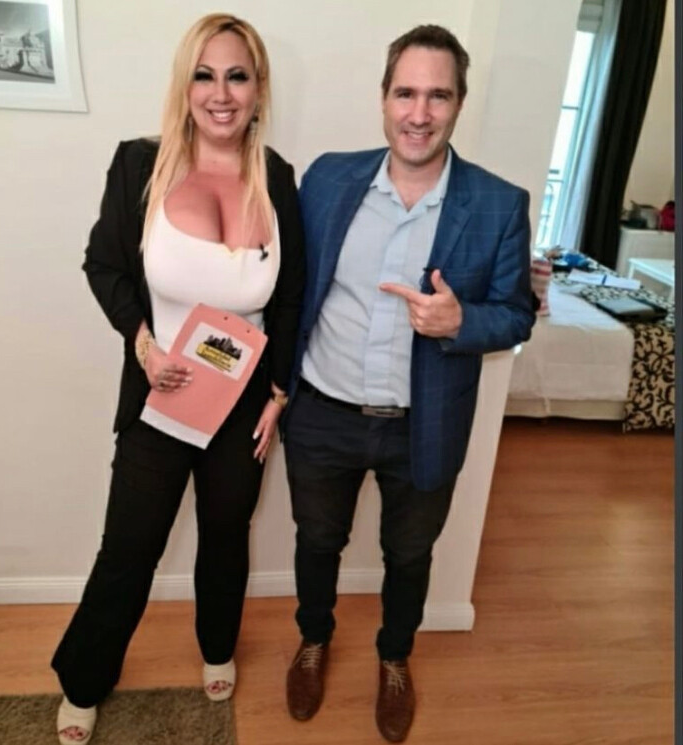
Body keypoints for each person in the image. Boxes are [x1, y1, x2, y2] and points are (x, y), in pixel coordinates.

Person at [51, 13, 304, 744]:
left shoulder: (278, 177)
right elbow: (103, 264)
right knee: (130, 547)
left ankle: (217, 646)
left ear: (259, 89)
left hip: (243, 405)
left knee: (226, 536)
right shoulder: (140, 164)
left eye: (237, 76)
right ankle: (84, 680)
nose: (221, 94)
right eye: (205, 75)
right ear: (184, 85)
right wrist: (142, 344)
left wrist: (279, 393)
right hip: (161, 397)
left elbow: (291, 296)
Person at [283, 24, 534, 743]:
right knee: (317, 539)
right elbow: (290, 282)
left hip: (425, 423)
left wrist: (462, 321)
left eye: (438, 96)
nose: (419, 113)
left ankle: (394, 655)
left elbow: (517, 313)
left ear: (459, 103)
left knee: (410, 554)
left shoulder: (498, 203)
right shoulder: (327, 178)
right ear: (384, 97)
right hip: (322, 413)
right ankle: (313, 638)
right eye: (406, 93)